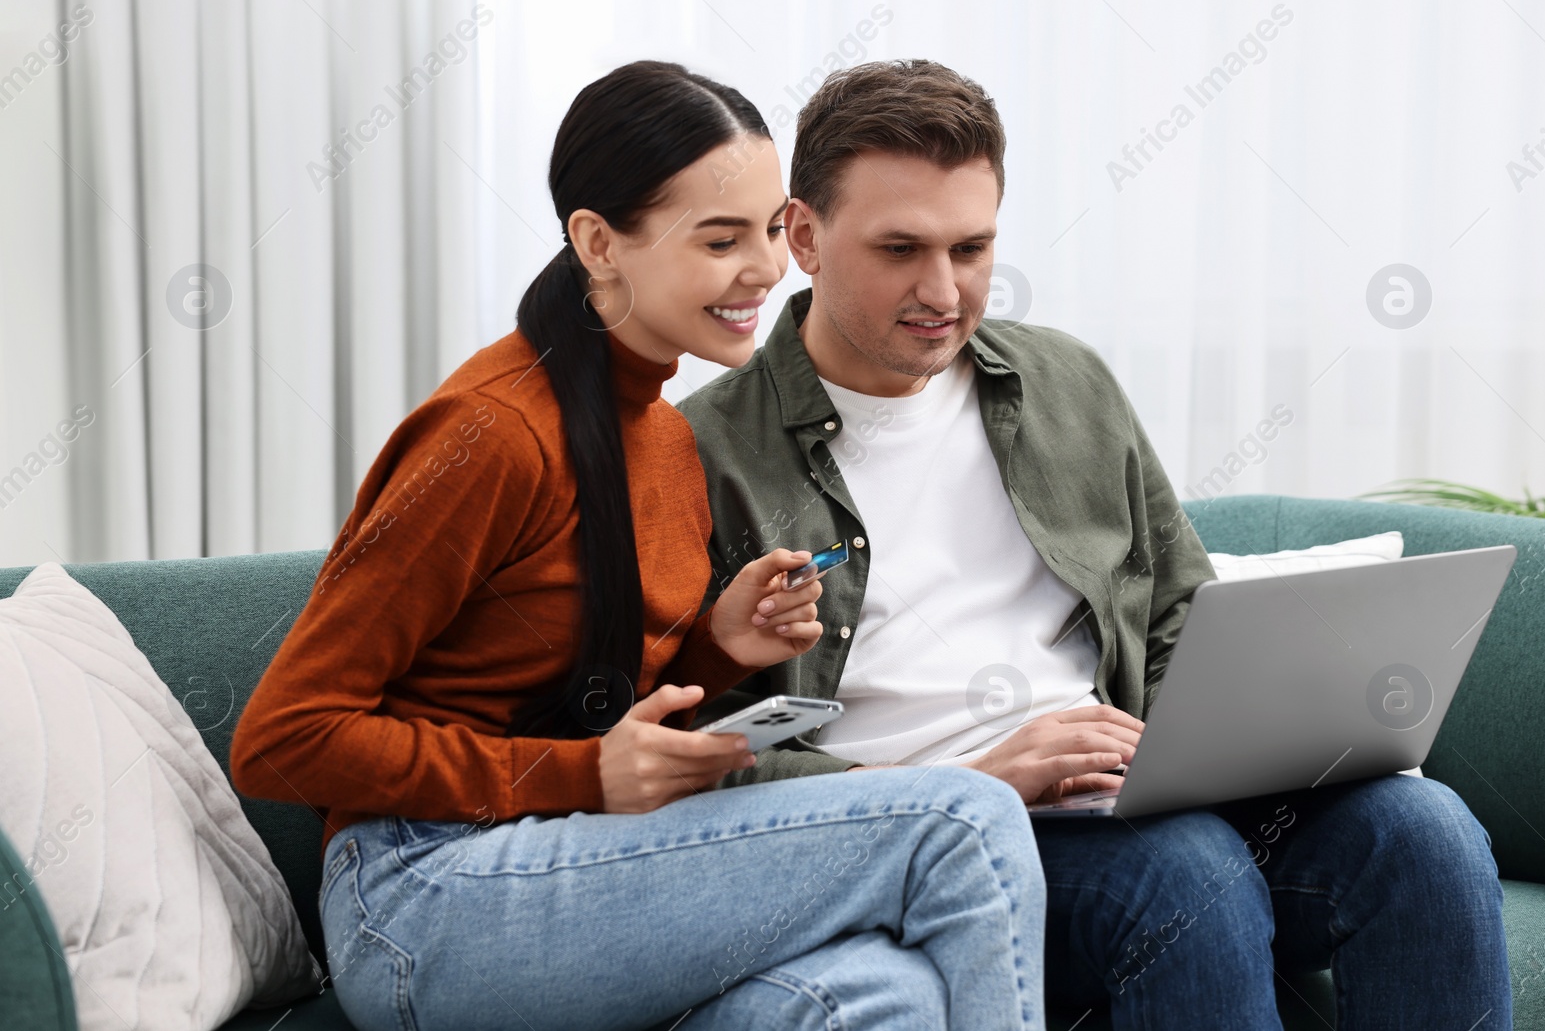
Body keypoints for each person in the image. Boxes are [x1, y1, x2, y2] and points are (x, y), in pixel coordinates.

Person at [676, 58, 1513, 1030]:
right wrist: (970, 781)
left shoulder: (1063, 384)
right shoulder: (702, 454)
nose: (942, 289)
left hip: (1125, 798)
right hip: (928, 840)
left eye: (971, 246)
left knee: (1424, 831)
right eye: (900, 247)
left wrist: (1213, 739)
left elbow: (1180, 616)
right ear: (805, 236)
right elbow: (700, 756)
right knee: (1183, 872)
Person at [229, 60, 1048, 1031]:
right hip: (423, 893)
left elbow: (595, 686)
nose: (765, 268)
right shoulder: (490, 434)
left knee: (871, 996)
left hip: (575, 860)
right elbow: (282, 739)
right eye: (718, 238)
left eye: (763, 231)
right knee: (966, 816)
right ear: (598, 242)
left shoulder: (662, 435)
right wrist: (580, 775)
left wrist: (717, 642)